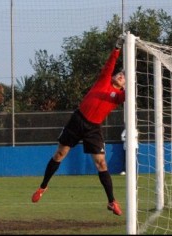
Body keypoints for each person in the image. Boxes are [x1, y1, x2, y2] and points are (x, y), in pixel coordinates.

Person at [31, 36, 125, 216]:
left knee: (101, 163)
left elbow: (127, 96)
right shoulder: (104, 80)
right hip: (78, 120)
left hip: (94, 128)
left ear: (125, 85)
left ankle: (112, 201)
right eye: (119, 73)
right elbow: (110, 65)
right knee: (60, 153)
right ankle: (43, 187)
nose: (121, 75)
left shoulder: (119, 96)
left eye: (124, 77)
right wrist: (117, 48)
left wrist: (132, 84)